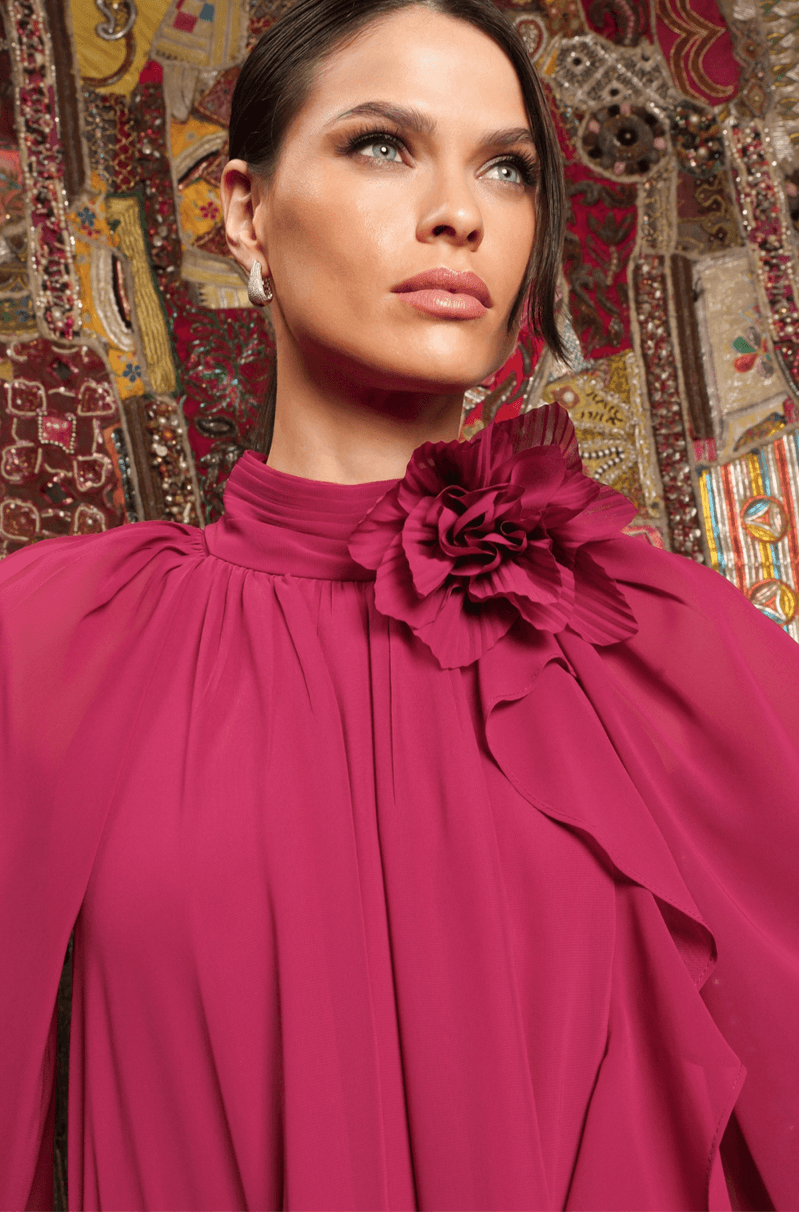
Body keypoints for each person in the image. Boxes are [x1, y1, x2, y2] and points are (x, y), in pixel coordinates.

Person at [0, 1, 796, 1209]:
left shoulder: (667, 642)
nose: (459, 213)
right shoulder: (57, 641)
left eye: (505, 168)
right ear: (244, 212)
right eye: (381, 144)